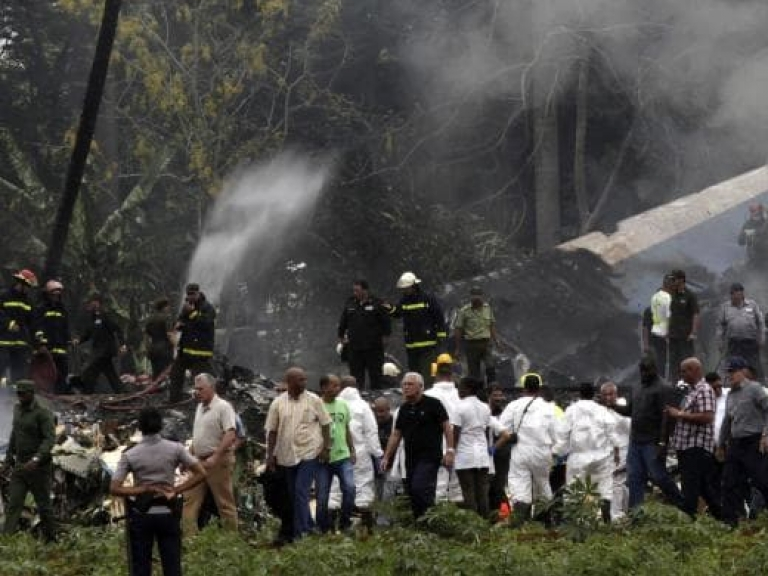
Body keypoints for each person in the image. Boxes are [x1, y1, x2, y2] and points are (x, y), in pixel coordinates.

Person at [110, 407, 206, 576]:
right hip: (168, 511)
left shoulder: (130, 454)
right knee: (172, 565)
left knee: (141, 565)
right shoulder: (176, 449)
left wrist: (141, 489)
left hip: (142, 515)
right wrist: (177, 490)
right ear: (161, 426)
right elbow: (201, 473)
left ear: (140, 428)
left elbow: (114, 488)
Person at [264, 367, 332, 543]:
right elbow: (271, 431)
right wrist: (269, 455)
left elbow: (326, 424)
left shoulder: (314, 400)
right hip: (286, 455)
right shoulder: (278, 403)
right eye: (300, 380)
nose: (304, 383)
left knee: (301, 491)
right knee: (293, 494)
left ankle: (301, 534)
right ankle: (307, 525)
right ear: (289, 382)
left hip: (309, 452)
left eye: (304, 379)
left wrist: (326, 448)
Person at [381, 372, 455, 518]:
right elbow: (396, 435)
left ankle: (429, 519)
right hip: (411, 457)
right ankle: (420, 522)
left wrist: (450, 450)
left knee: (420, 487)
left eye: (410, 384)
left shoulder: (434, 404)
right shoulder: (403, 409)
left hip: (430, 456)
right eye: (404, 384)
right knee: (412, 492)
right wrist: (386, 456)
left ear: (420, 387)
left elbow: (447, 427)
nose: (406, 387)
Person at [613, 355, 683, 510]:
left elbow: (668, 418)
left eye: (647, 371)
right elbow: (630, 411)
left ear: (654, 370)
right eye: (642, 371)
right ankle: (635, 515)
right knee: (634, 478)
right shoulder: (637, 387)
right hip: (636, 440)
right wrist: (613, 405)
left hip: (652, 441)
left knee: (659, 476)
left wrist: (663, 443)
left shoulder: (663, 388)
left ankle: (682, 505)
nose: (644, 374)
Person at [496, 373, 557, 526]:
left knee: (520, 486)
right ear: (539, 388)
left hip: (520, 451)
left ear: (524, 388)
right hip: (542, 452)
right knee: (543, 485)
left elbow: (501, 429)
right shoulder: (549, 408)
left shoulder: (514, 405)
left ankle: (519, 522)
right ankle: (545, 522)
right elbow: (557, 433)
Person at [664, 357, 721, 519]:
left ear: (695, 370)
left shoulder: (704, 390)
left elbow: (707, 417)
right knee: (703, 487)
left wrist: (680, 414)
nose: (682, 374)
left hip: (696, 447)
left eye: (685, 370)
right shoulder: (690, 390)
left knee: (690, 488)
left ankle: (688, 521)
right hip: (685, 446)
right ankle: (724, 519)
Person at [554, 381, 618, 523]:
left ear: (579, 394)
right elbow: (612, 434)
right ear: (594, 394)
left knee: (574, 490)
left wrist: (558, 452)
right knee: (604, 490)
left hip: (578, 457)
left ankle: (573, 523)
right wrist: (616, 450)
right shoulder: (602, 410)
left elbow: (563, 434)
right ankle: (607, 522)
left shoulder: (571, 410)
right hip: (601, 457)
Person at [182, 373, 238, 534]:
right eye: (196, 388)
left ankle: (231, 540)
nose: (197, 392)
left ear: (211, 388)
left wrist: (216, 456)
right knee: (190, 499)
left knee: (224, 502)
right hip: (199, 461)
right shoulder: (200, 407)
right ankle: (189, 539)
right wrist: (187, 456)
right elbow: (198, 436)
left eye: (201, 389)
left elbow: (230, 434)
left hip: (218, 461)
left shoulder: (223, 407)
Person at [2, 380, 56, 542]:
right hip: (20, 465)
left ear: (31, 394)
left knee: (44, 506)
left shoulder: (42, 413)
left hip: (39, 468)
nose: (19, 397)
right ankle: (7, 540)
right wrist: (8, 459)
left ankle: (51, 539)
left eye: (23, 393)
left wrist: (37, 458)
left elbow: (49, 439)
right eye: (18, 393)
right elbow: (14, 435)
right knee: (14, 504)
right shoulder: (17, 410)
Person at [718, 356, 768, 526]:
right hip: (735, 444)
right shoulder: (730, 395)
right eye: (728, 372)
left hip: (753, 443)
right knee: (729, 483)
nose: (729, 376)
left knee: (761, 481)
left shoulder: (755, 389)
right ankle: (730, 522)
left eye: (732, 372)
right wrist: (720, 444)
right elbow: (727, 421)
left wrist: (765, 435)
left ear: (742, 372)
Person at [333, 376, 382, 529]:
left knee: (336, 487)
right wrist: (377, 454)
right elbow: (371, 432)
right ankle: (365, 524)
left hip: (337, 452)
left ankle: (333, 524)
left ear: (340, 387)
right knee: (363, 486)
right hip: (360, 453)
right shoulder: (363, 406)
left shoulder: (334, 405)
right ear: (357, 387)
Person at [454, 377, 505, 518]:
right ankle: (485, 522)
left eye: (460, 387)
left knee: (468, 491)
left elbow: (456, 433)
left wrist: (450, 451)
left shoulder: (459, 407)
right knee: (482, 493)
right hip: (482, 456)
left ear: (468, 389)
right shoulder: (484, 407)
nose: (458, 390)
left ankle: (473, 522)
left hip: (465, 455)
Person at [386, 272, 447, 383]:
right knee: (415, 375)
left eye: (406, 288)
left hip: (428, 345)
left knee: (429, 375)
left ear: (414, 286)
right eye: (403, 289)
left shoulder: (427, 299)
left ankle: (428, 394)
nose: (404, 291)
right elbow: (397, 313)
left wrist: (441, 335)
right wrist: (390, 308)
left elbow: (439, 317)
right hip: (412, 346)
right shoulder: (404, 301)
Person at [315, 374, 355, 534]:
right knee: (322, 495)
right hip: (322, 459)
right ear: (324, 388)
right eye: (334, 386)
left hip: (342, 455)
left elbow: (346, 429)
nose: (338, 389)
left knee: (350, 488)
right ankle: (323, 527)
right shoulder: (316, 406)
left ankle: (345, 523)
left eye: (339, 385)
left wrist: (352, 450)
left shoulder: (343, 405)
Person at [337, 280, 391, 390]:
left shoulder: (377, 303)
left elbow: (386, 323)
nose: (354, 293)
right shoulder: (350, 302)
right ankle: (358, 398)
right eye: (354, 290)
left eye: (357, 290)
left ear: (365, 290)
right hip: (355, 348)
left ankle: (377, 399)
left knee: (375, 376)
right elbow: (343, 321)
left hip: (373, 348)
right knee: (356, 378)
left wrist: (385, 339)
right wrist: (341, 336)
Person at [169, 284, 216, 403]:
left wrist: (192, 313)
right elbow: (181, 321)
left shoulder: (207, 307)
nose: (190, 297)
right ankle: (174, 400)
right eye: (188, 294)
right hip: (185, 350)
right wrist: (179, 324)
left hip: (200, 352)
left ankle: (207, 401)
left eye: (192, 294)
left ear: (198, 293)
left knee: (202, 379)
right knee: (175, 374)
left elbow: (206, 323)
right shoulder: (186, 307)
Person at [425, 357, 463, 503]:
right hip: (459, 446)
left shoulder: (428, 395)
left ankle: (440, 521)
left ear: (435, 374)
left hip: (436, 446)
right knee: (457, 491)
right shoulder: (461, 394)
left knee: (438, 489)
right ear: (452, 373)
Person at [76, 294, 126, 394]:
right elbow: (89, 333)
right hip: (99, 351)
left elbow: (117, 329)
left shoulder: (105, 315)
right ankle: (121, 391)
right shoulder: (94, 318)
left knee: (91, 370)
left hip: (105, 351)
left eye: (91, 302)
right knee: (109, 373)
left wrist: (122, 344)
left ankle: (86, 392)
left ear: (97, 303)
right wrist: (79, 341)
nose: (89, 305)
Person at [453, 286, 500, 384]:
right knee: (474, 372)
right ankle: (477, 392)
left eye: (478, 295)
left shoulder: (487, 309)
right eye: (474, 295)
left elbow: (491, 325)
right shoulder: (464, 311)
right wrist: (457, 348)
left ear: (482, 296)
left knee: (490, 366)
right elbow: (458, 329)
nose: (476, 297)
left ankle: (492, 387)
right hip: (472, 344)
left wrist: (497, 342)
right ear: (470, 297)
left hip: (486, 343)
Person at [718, 283, 764, 380]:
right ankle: (733, 385)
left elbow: (760, 322)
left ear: (743, 293)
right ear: (731, 294)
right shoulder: (725, 307)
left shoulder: (752, 305)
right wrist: (720, 342)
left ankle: (760, 385)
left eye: (739, 293)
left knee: (754, 366)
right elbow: (720, 326)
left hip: (750, 342)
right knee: (734, 366)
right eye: (734, 294)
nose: (737, 296)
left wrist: (761, 338)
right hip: (734, 343)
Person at [599, 380, 631, 520]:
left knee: (617, 482)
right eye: (605, 395)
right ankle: (622, 510)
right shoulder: (601, 409)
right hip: (606, 452)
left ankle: (616, 514)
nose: (608, 398)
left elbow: (630, 428)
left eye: (610, 394)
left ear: (616, 394)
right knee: (614, 483)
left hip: (623, 449)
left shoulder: (623, 406)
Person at [0, 269, 38, 382]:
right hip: (3, 342)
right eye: (27, 286)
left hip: (20, 344)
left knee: (19, 373)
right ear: (20, 283)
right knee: (1, 369)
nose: (28, 289)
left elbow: (33, 323)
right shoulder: (4, 296)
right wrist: (9, 324)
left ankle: (16, 396)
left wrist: (37, 342)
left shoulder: (28, 302)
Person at [34, 280, 71, 394]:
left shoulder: (63, 309)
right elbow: (37, 327)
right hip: (47, 349)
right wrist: (40, 345)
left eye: (58, 295)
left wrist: (68, 340)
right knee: (46, 374)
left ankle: (61, 397)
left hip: (60, 348)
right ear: (48, 294)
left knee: (62, 372)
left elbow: (65, 326)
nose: (56, 297)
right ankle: (45, 396)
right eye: (54, 294)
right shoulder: (41, 308)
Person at [667, 270, 699, 383]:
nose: (672, 282)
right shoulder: (671, 295)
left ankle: (689, 384)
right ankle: (674, 385)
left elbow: (695, 314)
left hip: (686, 336)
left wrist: (693, 332)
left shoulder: (690, 295)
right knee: (673, 363)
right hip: (673, 336)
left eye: (674, 279)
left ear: (681, 280)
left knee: (687, 362)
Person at [487, 384, 511, 516]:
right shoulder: (484, 412)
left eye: (500, 395)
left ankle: (503, 515)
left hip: (501, 456)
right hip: (485, 456)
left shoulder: (506, 413)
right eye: (495, 395)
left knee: (498, 486)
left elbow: (509, 434)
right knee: (489, 487)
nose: (498, 398)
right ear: (489, 396)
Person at [648, 275, 675, 378]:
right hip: (658, 340)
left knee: (672, 363)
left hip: (671, 339)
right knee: (660, 363)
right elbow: (648, 326)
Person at [144, 297, 174, 379]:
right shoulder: (166, 318)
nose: (169, 308)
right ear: (164, 307)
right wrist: (176, 346)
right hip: (165, 349)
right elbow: (169, 335)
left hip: (153, 348)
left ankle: (156, 390)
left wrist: (148, 349)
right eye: (168, 306)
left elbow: (146, 337)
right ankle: (166, 390)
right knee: (167, 372)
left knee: (156, 374)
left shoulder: (150, 319)